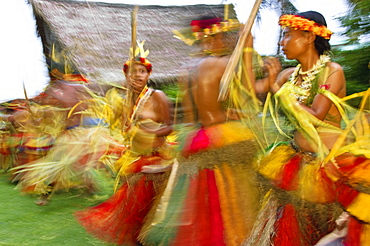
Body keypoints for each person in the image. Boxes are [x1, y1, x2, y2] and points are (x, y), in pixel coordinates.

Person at [138, 16, 260, 246]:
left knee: (199, 208)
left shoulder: (188, 70)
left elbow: (192, 119)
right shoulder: (224, 64)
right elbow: (250, 99)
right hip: (223, 138)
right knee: (228, 208)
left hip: (197, 139)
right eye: (225, 36)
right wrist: (247, 50)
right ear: (218, 38)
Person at [243, 11, 348, 245]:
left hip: (327, 168)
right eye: (283, 36)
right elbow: (249, 90)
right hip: (296, 162)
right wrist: (246, 51)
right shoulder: (288, 75)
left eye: (288, 35)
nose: (282, 42)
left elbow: (316, 115)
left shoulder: (332, 71)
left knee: (325, 232)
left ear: (310, 37)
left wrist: (277, 90)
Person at [74, 41, 175, 246]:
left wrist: (147, 128)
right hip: (134, 162)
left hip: (156, 162)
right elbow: (122, 130)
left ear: (148, 75)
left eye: (142, 71)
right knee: (135, 218)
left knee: (156, 215)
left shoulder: (157, 96)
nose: (137, 76)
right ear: (125, 76)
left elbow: (169, 127)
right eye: (132, 72)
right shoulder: (126, 101)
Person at [11, 75, 124, 206]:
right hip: (81, 133)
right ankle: (52, 195)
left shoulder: (61, 89)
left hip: (82, 134)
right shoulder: (73, 89)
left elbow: (99, 89)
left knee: (65, 164)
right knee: (67, 164)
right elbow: (100, 88)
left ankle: (108, 186)